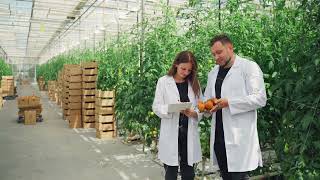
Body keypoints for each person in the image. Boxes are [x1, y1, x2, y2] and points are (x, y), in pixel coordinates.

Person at [203, 34, 267, 179]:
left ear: (230, 48)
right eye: (213, 54)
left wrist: (229, 102)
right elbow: (207, 98)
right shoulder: (213, 73)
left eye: (219, 52)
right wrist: (207, 106)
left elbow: (260, 98)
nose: (216, 57)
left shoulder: (248, 67)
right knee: (226, 176)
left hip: (239, 138)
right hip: (219, 138)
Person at [152, 51, 202, 180]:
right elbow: (156, 107)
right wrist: (172, 108)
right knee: (170, 173)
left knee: (189, 173)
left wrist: (194, 113)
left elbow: (201, 107)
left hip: (188, 133)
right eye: (183, 68)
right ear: (176, 65)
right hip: (171, 133)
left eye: (189, 70)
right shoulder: (163, 82)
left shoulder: (194, 83)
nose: (186, 72)